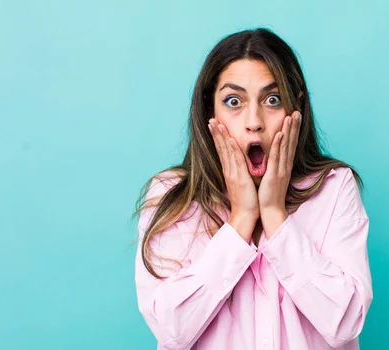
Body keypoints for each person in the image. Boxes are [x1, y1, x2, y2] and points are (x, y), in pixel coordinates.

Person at [134, 27, 373, 350]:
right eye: (233, 101)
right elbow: (172, 330)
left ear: (296, 109)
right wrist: (242, 218)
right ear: (210, 111)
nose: (254, 121)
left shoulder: (333, 188)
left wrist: (274, 214)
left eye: (272, 100)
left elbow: (345, 323)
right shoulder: (170, 195)